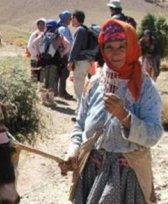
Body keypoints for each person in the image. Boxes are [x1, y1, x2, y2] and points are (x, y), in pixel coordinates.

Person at [59, 19, 163, 204]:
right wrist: (73, 151)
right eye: (109, 47)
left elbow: (154, 134)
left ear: (131, 47)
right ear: (102, 48)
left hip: (126, 177)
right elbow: (80, 124)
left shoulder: (146, 87)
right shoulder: (94, 82)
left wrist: (124, 117)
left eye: (122, 46)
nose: (115, 53)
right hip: (90, 171)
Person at [33, 19, 70, 106]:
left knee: (43, 80)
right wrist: (61, 54)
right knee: (52, 80)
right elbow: (68, 46)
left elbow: (34, 43)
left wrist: (39, 53)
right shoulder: (59, 36)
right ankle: (51, 100)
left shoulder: (43, 34)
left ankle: (43, 99)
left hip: (43, 61)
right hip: (54, 61)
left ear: (47, 26)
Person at [67, 10, 92, 113]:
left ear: (76, 18)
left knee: (79, 87)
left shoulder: (79, 30)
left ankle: (80, 112)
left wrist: (70, 61)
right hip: (86, 62)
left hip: (80, 62)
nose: (71, 21)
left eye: (72, 18)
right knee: (81, 86)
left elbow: (75, 47)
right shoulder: (85, 30)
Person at [57, 10, 74, 100]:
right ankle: (62, 92)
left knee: (63, 74)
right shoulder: (63, 29)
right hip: (64, 55)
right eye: (70, 19)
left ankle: (61, 91)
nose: (70, 21)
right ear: (66, 19)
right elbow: (65, 43)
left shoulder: (61, 28)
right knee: (64, 74)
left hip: (62, 54)